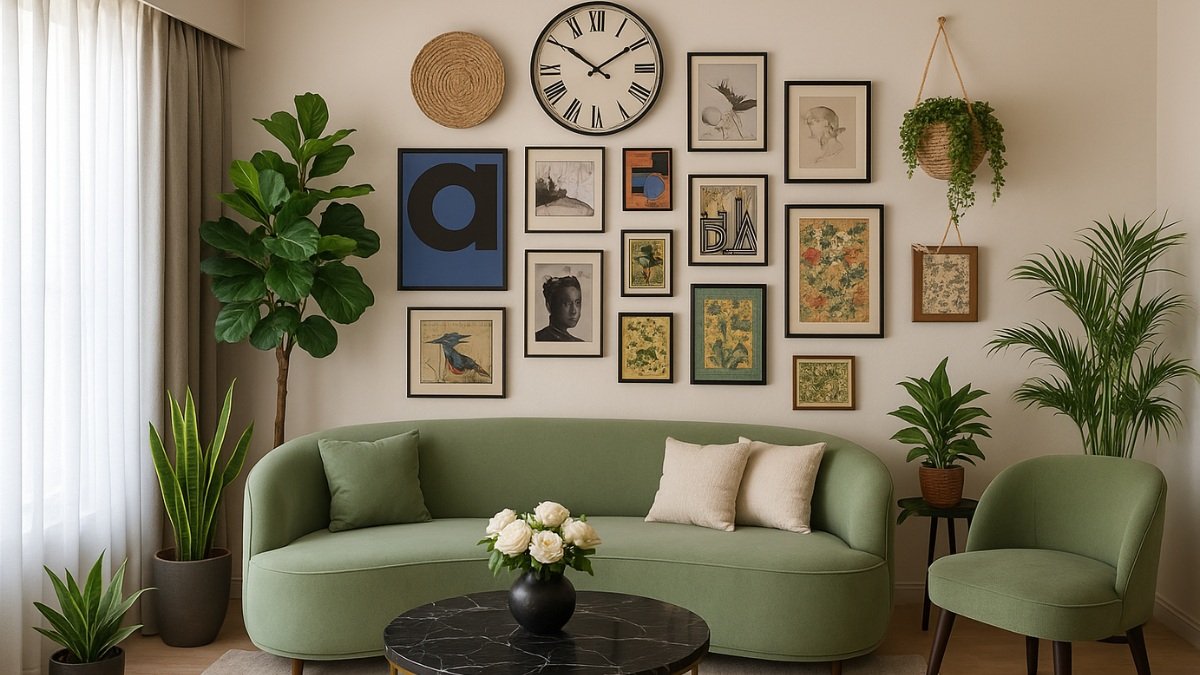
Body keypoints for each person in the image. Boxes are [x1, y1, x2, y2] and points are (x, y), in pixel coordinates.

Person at [535, 275, 584, 342]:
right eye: (567, 303)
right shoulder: (537, 339)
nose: (574, 311)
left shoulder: (579, 343)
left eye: (577, 303)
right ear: (549, 306)